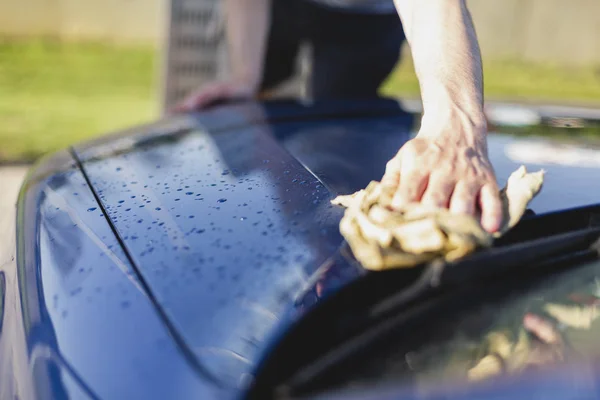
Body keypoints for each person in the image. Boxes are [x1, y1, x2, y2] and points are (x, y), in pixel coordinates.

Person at [176, 0, 503, 234]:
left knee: (340, 117)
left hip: (365, 18)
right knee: (251, 110)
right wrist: (245, 75)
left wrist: (456, 121)